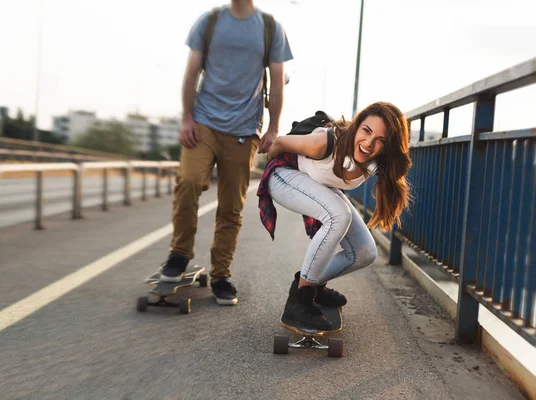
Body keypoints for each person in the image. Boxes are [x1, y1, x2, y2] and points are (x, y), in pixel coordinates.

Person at [159, 0, 293, 306]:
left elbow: (277, 81)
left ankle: (221, 274)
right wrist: (186, 118)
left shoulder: (271, 29)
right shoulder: (209, 21)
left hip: (244, 130)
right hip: (203, 123)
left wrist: (273, 129)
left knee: (231, 205)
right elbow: (191, 72)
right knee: (189, 181)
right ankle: (179, 255)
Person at [257, 102, 412, 331]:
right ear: (357, 126)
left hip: (315, 183)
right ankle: (299, 301)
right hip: (283, 175)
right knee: (339, 214)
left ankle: (311, 284)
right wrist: (275, 179)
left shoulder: (377, 163)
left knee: (365, 252)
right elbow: (278, 144)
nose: (369, 144)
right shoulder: (326, 142)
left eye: (381, 140)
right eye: (367, 131)